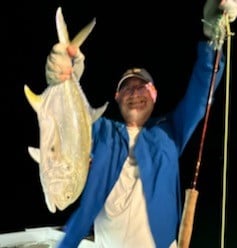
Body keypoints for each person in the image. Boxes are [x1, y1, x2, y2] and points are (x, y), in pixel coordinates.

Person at [45, 1, 237, 247]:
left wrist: (213, 37)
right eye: (127, 87)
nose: (134, 92)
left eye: (142, 86)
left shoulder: (171, 132)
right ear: (117, 98)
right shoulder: (101, 131)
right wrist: (65, 75)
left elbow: (201, 93)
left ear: (154, 95)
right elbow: (65, 122)